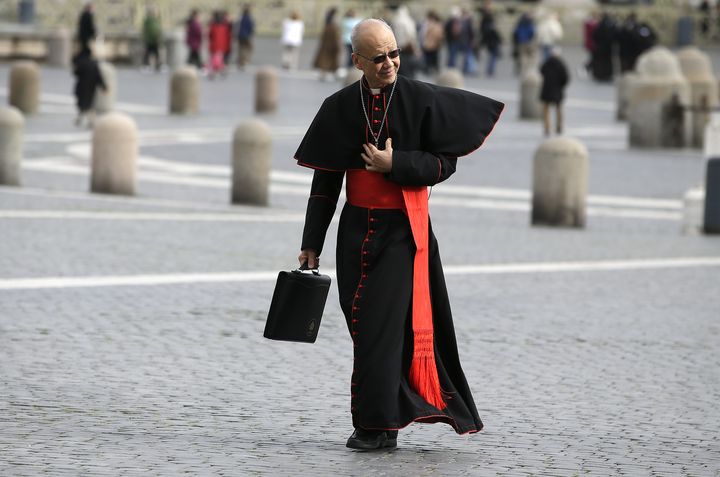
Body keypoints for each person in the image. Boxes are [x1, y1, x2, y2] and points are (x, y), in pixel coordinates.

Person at [294, 19, 504, 450]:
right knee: (362, 325)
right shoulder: (339, 107)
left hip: (403, 233)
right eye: (378, 57)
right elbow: (326, 181)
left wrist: (399, 166)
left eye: (394, 53)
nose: (389, 63)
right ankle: (385, 414)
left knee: (379, 328)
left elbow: (445, 164)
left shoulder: (421, 99)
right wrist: (311, 242)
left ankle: (375, 427)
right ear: (357, 62)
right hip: (355, 232)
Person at [72, 47, 106, 128]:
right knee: (89, 104)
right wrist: (104, 87)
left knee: (83, 105)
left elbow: (76, 73)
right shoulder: (93, 63)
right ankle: (88, 120)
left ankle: (85, 120)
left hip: (81, 87)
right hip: (91, 87)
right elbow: (98, 76)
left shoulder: (81, 63)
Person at [539, 46, 569, 136]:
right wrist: (561, 85)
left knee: (546, 110)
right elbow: (566, 78)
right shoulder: (561, 64)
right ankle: (559, 127)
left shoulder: (546, 63)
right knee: (559, 110)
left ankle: (547, 128)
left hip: (547, 90)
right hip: (557, 90)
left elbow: (541, 71)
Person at [313, 8, 341, 81]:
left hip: (326, 45)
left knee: (326, 59)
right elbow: (336, 37)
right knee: (330, 59)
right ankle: (329, 74)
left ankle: (326, 73)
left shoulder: (327, 24)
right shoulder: (333, 26)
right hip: (332, 45)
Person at [591, 13, 615, 82]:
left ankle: (600, 75)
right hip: (608, 48)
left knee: (600, 62)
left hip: (600, 47)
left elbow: (595, 35)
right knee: (607, 62)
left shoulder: (599, 25)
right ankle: (607, 75)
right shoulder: (610, 26)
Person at [479, 2, 502, 77]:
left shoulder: (485, 22)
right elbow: (494, 33)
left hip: (490, 41)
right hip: (492, 42)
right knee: (493, 56)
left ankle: (490, 70)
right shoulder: (489, 24)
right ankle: (490, 70)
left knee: (492, 56)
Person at [419, 10, 444, 74]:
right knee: (433, 58)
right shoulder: (437, 24)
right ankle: (433, 69)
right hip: (434, 44)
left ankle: (429, 69)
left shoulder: (427, 24)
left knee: (429, 58)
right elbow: (440, 35)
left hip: (428, 44)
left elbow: (423, 34)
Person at [207, 11, 231, 78]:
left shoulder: (213, 26)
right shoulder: (225, 26)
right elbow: (227, 36)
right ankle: (222, 69)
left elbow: (210, 35)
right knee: (220, 58)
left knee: (214, 58)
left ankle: (214, 71)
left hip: (214, 44)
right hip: (222, 45)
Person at [142, 7, 162, 72]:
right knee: (148, 53)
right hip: (149, 39)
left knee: (156, 53)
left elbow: (159, 29)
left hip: (155, 39)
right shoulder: (147, 21)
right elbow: (144, 30)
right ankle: (146, 65)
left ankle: (158, 66)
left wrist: (159, 37)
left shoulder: (156, 20)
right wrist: (145, 38)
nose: (152, 14)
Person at [235, 4, 255, 69]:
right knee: (247, 48)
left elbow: (237, 26)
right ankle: (244, 60)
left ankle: (240, 60)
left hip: (240, 35)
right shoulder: (249, 18)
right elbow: (251, 27)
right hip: (247, 35)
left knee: (241, 48)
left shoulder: (240, 18)